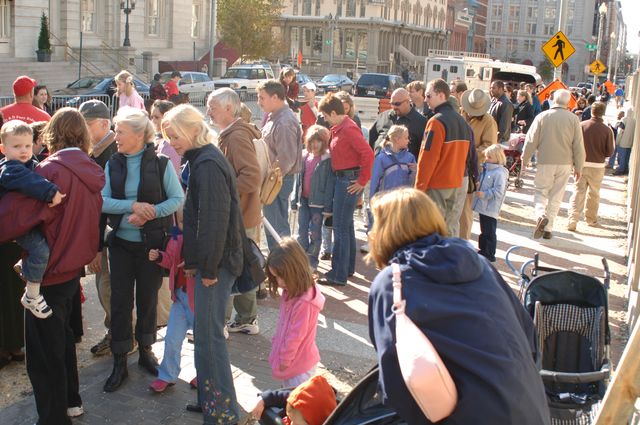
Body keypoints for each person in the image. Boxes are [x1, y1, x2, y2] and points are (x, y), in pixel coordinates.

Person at [366, 188, 551, 425]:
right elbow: (528, 337)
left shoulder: (392, 284)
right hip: (528, 405)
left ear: (384, 231)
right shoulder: (481, 264)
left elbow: (395, 378)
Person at [0, 107, 105, 424]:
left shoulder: (48, 171)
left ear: (51, 135)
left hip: (48, 272)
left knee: (44, 355)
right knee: (63, 341)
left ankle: (53, 417)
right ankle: (72, 401)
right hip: (73, 268)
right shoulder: (91, 168)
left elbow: (11, 221)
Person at [162, 104, 243, 423]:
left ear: (194, 130)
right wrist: (195, 263)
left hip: (217, 266)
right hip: (210, 263)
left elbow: (213, 222)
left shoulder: (207, 163)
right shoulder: (202, 159)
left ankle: (222, 414)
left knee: (209, 341)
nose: (172, 141)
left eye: (175, 135)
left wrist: (206, 268)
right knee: (206, 339)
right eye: (168, 136)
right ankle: (212, 402)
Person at [101, 107, 184, 392]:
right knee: (120, 301)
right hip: (121, 245)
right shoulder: (113, 163)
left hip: (151, 246)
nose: (116, 137)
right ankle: (120, 360)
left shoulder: (161, 163)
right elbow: (102, 201)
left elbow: (176, 199)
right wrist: (132, 207)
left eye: (120, 132)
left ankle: (146, 351)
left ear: (139, 134)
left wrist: (149, 213)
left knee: (147, 299)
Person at [207, 88, 263, 336]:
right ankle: (246, 319)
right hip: (243, 213)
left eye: (213, 107)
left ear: (229, 108)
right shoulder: (236, 133)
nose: (209, 111)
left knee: (231, 267)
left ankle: (223, 322)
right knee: (242, 265)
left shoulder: (236, 137)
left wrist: (223, 192)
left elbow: (251, 177)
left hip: (238, 214)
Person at [0, 120, 65, 318]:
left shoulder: (29, 163)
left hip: (23, 222)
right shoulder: (10, 168)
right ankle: (32, 294)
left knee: (44, 246)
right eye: (17, 146)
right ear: (3, 149)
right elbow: (29, 181)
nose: (24, 150)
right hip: (15, 225)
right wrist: (51, 191)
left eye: (28, 145)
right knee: (40, 250)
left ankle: (25, 265)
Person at [317, 93, 374, 287]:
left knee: (340, 228)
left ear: (333, 112)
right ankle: (346, 269)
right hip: (346, 179)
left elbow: (367, 153)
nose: (324, 119)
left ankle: (338, 274)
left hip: (347, 180)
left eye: (325, 115)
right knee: (346, 226)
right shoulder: (341, 127)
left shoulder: (348, 129)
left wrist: (362, 181)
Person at [79, 99, 120, 357]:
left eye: (88, 124)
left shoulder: (111, 153)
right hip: (101, 234)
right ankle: (117, 331)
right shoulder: (95, 151)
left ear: (104, 124)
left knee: (108, 286)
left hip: (108, 234)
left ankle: (120, 334)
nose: (83, 129)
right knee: (104, 285)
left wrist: (96, 246)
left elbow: (102, 205)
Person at [522, 89, 586, 239]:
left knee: (540, 192)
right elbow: (578, 145)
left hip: (545, 160)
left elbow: (531, 140)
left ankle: (540, 214)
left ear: (553, 99)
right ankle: (549, 228)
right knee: (557, 195)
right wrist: (579, 167)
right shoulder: (573, 119)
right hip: (565, 163)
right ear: (569, 101)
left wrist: (525, 159)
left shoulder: (542, 116)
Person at [148, 207, 197, 393]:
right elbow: (169, 259)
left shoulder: (202, 239)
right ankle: (167, 375)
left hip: (197, 301)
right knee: (171, 339)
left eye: (187, 222)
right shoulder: (176, 236)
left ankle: (205, 373)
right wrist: (159, 256)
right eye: (180, 222)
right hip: (179, 298)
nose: (183, 226)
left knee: (202, 342)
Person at [415, 78, 472, 237]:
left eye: (428, 96)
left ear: (441, 95)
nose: (426, 100)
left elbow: (427, 159)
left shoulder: (436, 122)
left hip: (438, 184)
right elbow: (467, 155)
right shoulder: (462, 122)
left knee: (432, 231)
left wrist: (419, 189)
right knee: (450, 229)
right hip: (456, 182)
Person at [265, 238, 325, 387]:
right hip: (297, 361)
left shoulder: (304, 302)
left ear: (294, 270)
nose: (278, 282)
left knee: (295, 402)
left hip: (298, 365)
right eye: (275, 277)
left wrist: (285, 358)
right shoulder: (293, 290)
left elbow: (296, 334)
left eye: (281, 276)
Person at [257, 80, 303, 250]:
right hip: (275, 179)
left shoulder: (284, 121)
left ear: (275, 97)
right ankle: (280, 267)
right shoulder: (276, 117)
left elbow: (286, 158)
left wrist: (271, 179)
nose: (259, 102)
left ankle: (285, 267)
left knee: (277, 228)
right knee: (273, 226)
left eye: (262, 98)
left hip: (277, 180)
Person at [149, 99, 180, 328]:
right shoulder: (162, 144)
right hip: (169, 211)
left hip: (173, 214)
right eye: (152, 117)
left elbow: (174, 184)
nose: (154, 122)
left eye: (157, 118)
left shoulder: (169, 147)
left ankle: (165, 314)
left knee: (170, 257)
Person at [291, 125, 335, 271]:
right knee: (301, 231)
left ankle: (312, 262)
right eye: (312, 141)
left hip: (318, 204)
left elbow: (329, 185)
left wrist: (328, 207)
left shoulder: (327, 160)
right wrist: (294, 200)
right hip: (303, 201)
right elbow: (298, 181)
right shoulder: (304, 157)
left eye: (319, 141)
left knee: (315, 233)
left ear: (324, 142)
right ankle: (301, 260)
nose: (315, 144)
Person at [567, 102, 614, 231]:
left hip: (581, 164)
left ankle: (572, 219)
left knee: (577, 191)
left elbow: (573, 144)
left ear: (591, 111)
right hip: (597, 166)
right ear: (603, 113)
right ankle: (591, 219)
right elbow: (609, 152)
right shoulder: (607, 130)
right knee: (594, 193)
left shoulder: (581, 126)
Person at [459, 88, 498, 240]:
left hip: (472, 168)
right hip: (457, 165)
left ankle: (464, 242)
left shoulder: (488, 121)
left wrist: (467, 152)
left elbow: (489, 147)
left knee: (465, 211)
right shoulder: (460, 114)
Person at [472, 145, 509, 262]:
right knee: (484, 229)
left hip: (490, 206)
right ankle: (483, 250)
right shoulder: (487, 169)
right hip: (484, 205)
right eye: (486, 157)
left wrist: (485, 194)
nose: (486, 159)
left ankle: (489, 253)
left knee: (489, 231)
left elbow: (499, 191)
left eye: (489, 157)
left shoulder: (499, 173)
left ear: (497, 158)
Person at [250, 374, 337, 423]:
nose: (292, 424)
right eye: (291, 419)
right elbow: (290, 397)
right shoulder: (300, 405)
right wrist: (264, 399)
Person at [369, 88, 427, 158]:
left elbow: (425, 151)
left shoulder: (421, 122)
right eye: (392, 103)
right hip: (379, 165)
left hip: (404, 167)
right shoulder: (383, 116)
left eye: (397, 104)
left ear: (408, 102)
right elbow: (372, 137)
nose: (394, 107)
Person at [369, 125, 416, 199]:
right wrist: (372, 202)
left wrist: (415, 171)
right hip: (386, 201)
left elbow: (413, 182)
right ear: (397, 139)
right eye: (406, 138)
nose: (408, 141)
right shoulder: (381, 158)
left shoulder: (410, 157)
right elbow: (375, 182)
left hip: (403, 201)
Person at [613, 106, 635, 176]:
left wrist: (617, 141)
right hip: (630, 142)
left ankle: (620, 170)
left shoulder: (624, 119)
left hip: (623, 142)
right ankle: (625, 169)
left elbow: (620, 131)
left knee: (622, 157)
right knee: (627, 157)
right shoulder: (635, 121)